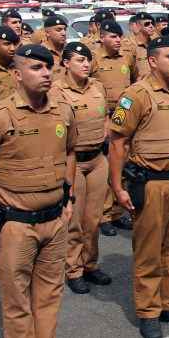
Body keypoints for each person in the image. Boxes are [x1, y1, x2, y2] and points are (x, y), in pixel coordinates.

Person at [0, 44, 77, 338]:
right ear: (18, 74)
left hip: (54, 221)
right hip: (15, 224)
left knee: (49, 300)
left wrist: (68, 198)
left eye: (49, 67)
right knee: (17, 306)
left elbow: (70, 152)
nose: (46, 73)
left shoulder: (63, 109)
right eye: (36, 68)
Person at [107, 35, 169, 338]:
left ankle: (168, 303)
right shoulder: (137, 95)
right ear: (152, 61)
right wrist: (118, 187)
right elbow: (117, 143)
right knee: (149, 251)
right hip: (151, 184)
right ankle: (148, 312)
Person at [49, 42, 112, 296]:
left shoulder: (97, 86)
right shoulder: (56, 91)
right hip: (73, 161)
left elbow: (106, 118)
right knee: (73, 220)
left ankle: (90, 264)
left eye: (88, 60)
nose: (86, 64)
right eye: (79, 60)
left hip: (97, 159)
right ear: (66, 63)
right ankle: (73, 269)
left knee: (93, 219)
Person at [91, 19, 138, 236]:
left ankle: (118, 212)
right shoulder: (93, 58)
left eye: (120, 36)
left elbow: (135, 80)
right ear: (102, 38)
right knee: (107, 169)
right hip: (105, 118)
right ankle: (105, 215)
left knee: (122, 166)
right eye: (113, 36)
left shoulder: (126, 56)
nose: (118, 40)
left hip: (125, 116)